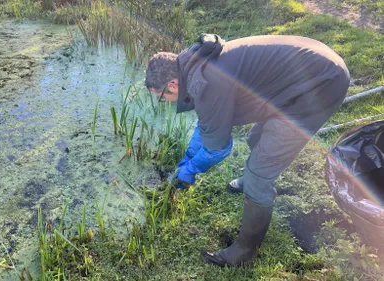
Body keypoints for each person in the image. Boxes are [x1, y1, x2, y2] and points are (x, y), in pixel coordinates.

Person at [144, 34, 350, 266]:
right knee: (256, 138)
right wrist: (189, 158)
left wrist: (189, 171)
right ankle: (248, 183)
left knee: (259, 173)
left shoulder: (206, 84)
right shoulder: (193, 65)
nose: (166, 102)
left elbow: (217, 148)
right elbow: (207, 127)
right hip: (303, 70)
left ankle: (245, 250)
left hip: (321, 83)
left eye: (162, 97)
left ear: (172, 84)